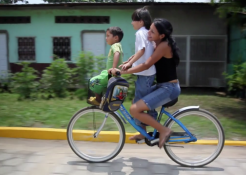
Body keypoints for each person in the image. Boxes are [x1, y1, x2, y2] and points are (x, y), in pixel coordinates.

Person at [109, 18, 181, 148]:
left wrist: (123, 72)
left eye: (152, 32)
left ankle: (164, 130)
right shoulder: (156, 43)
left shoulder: (164, 45)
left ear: (162, 35)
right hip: (163, 86)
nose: (148, 33)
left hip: (169, 89)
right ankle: (143, 133)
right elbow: (142, 53)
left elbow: (146, 65)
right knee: (136, 102)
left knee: (134, 109)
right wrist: (129, 61)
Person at [119, 7, 158, 137]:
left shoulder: (140, 33)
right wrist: (129, 60)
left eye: (133, 20)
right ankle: (143, 130)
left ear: (140, 21)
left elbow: (141, 51)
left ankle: (151, 123)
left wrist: (129, 64)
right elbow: (141, 53)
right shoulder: (146, 32)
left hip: (145, 74)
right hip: (145, 74)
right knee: (140, 101)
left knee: (139, 103)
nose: (131, 23)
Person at [88, 27, 124, 106]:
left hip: (111, 75)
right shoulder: (119, 45)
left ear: (115, 38)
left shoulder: (115, 45)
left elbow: (117, 53)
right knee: (102, 74)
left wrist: (114, 68)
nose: (106, 38)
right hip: (112, 74)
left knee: (93, 81)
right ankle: (104, 97)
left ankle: (98, 100)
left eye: (108, 36)